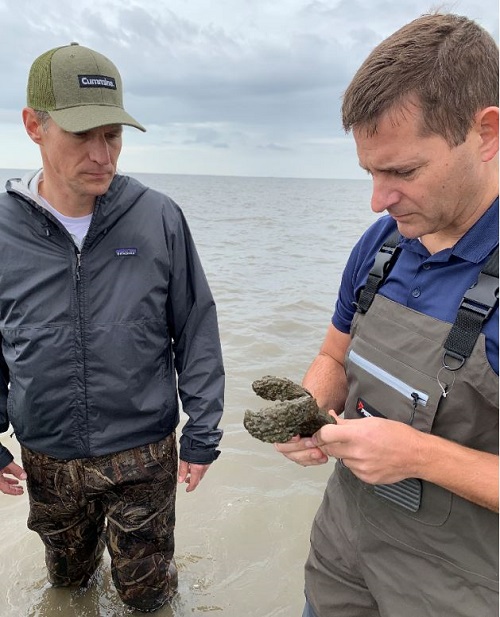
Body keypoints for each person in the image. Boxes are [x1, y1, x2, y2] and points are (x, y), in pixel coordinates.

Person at [276, 12, 498, 617]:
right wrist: (310, 407)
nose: (378, 199)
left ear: (486, 133)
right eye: (371, 172)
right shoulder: (381, 244)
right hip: (342, 566)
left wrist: (419, 455)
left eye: (402, 172)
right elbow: (333, 355)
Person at [0, 43, 225, 613]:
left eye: (113, 135)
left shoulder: (158, 217)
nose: (104, 155)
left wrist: (203, 430)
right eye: (83, 135)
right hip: (46, 453)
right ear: (34, 125)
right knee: (68, 586)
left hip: (143, 452)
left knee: (148, 596)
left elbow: (195, 324)